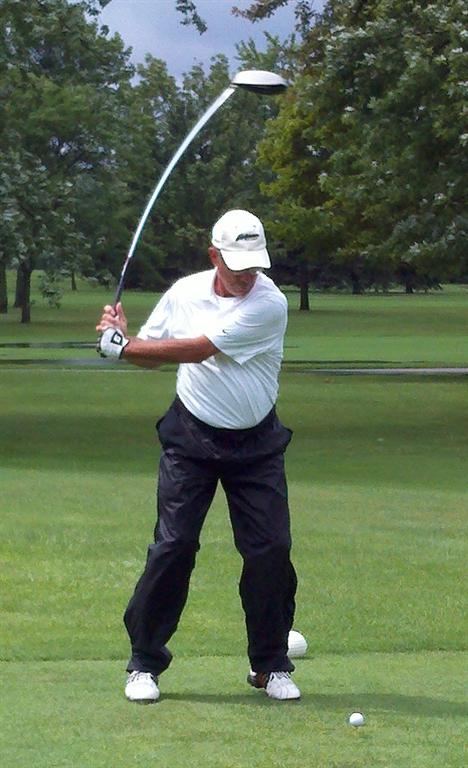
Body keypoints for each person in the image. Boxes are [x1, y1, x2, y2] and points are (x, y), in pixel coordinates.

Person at [96, 209, 300, 703]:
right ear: (214, 256)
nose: (249, 274)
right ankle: (144, 663)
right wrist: (122, 339)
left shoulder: (269, 304)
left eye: (255, 263)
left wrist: (120, 348)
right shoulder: (185, 293)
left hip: (256, 444)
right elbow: (155, 352)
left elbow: (197, 350)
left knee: (270, 550)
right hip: (191, 437)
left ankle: (269, 665)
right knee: (173, 546)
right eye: (237, 264)